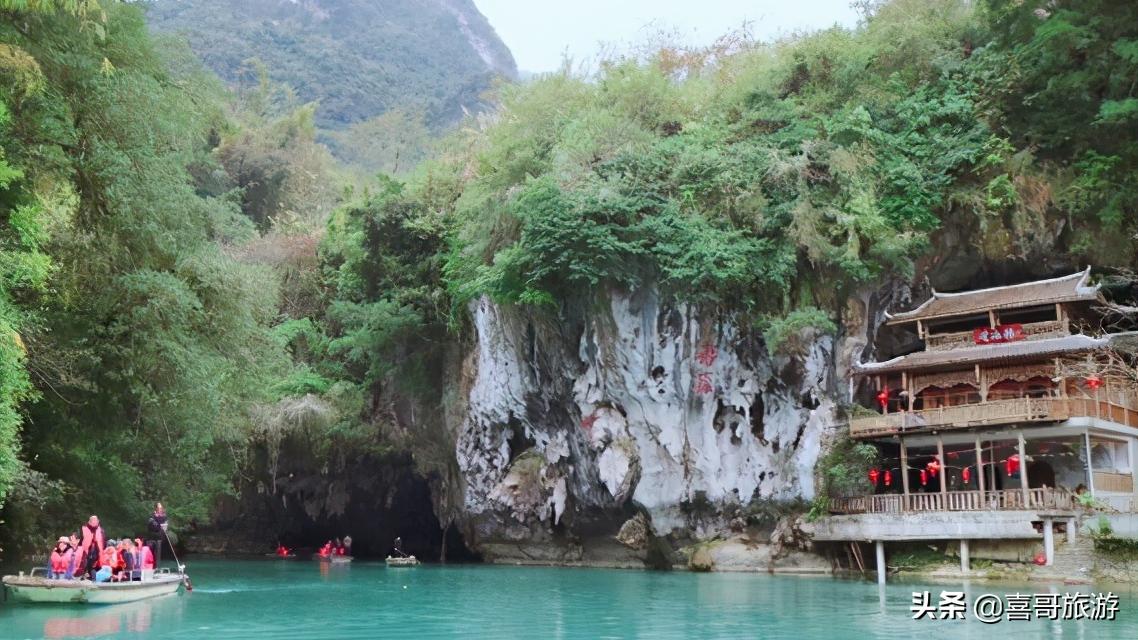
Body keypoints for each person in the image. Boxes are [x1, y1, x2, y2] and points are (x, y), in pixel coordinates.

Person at [80, 515, 106, 580]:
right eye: (92, 520)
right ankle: (83, 577)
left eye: (96, 520)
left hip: (97, 551)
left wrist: (103, 550)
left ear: (98, 521)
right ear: (89, 521)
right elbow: (80, 540)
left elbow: (104, 541)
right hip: (85, 550)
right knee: (84, 564)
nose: (94, 522)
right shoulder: (83, 529)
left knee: (94, 565)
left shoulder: (101, 530)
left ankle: (93, 579)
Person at [146, 502, 168, 567]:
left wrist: (164, 527)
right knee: (151, 552)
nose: (160, 509)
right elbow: (153, 525)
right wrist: (159, 526)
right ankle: (151, 567)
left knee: (158, 553)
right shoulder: (152, 516)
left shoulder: (164, 516)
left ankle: (157, 567)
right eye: (158, 508)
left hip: (159, 537)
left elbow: (165, 525)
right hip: (151, 538)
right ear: (156, 508)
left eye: (161, 508)